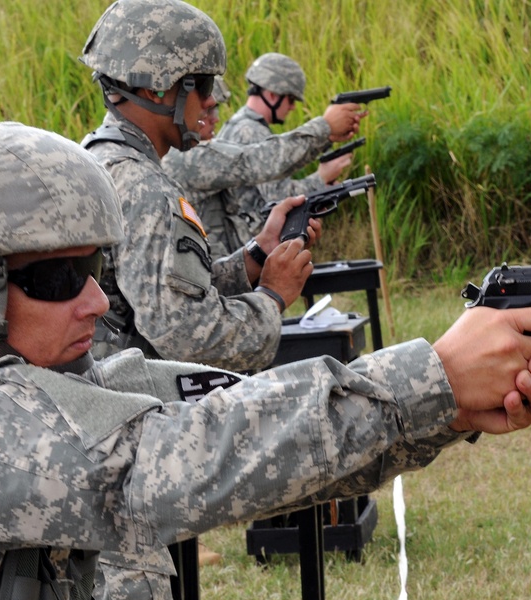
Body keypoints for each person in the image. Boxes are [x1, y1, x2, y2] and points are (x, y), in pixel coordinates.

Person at [0, 120, 531, 600]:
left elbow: (227, 428)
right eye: (59, 279)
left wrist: (445, 409)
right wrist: (430, 373)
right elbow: (182, 458)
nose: (98, 303)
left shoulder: (29, 393)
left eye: (96, 269)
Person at [79, 0, 363, 372]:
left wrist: (256, 256)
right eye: (204, 85)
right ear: (155, 89)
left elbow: (165, 289)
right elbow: (190, 336)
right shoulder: (142, 185)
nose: (212, 101)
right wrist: (272, 297)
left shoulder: (102, 156)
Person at [163, 74, 364, 257]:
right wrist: (324, 127)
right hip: (211, 276)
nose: (215, 118)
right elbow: (257, 162)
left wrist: (324, 138)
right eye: (207, 111)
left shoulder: (191, 151)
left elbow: (267, 165)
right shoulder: (185, 157)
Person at [211, 52, 357, 242]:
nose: (293, 107)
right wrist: (321, 178)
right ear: (272, 94)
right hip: (247, 246)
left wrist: (326, 139)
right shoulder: (250, 131)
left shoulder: (240, 124)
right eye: (291, 100)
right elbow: (279, 197)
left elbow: (283, 161)